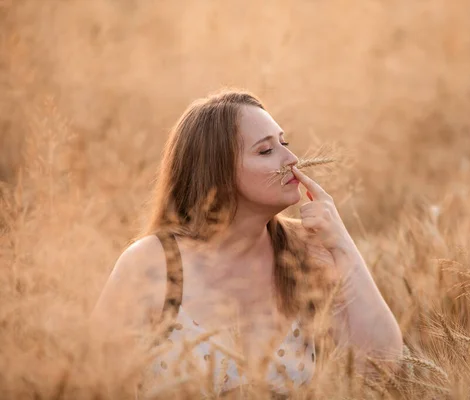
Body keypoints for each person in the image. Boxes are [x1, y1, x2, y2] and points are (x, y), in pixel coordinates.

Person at [92, 89, 403, 397]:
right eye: (266, 151)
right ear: (218, 172)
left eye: (284, 143)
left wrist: (342, 245)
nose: (292, 160)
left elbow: (381, 366)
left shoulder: (306, 250)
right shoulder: (152, 262)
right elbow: (91, 381)